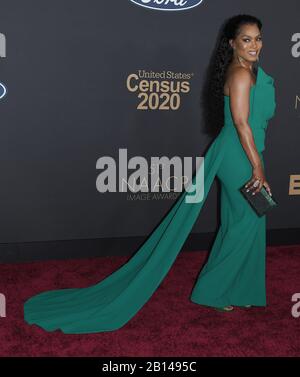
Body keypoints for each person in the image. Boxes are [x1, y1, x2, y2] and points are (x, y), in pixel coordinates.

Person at [23, 14, 276, 334]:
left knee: (244, 221)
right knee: (246, 222)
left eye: (258, 38)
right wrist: (256, 166)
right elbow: (240, 124)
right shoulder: (240, 73)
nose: (255, 45)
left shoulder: (251, 71)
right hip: (239, 153)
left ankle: (239, 289)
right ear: (232, 43)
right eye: (247, 39)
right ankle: (212, 290)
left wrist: (257, 159)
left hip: (246, 150)